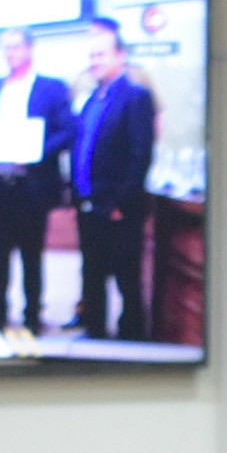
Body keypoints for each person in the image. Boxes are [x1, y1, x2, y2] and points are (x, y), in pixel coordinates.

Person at [0, 34, 76, 336]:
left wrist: (37, 150)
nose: (11, 53)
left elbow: (68, 130)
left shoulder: (51, 87)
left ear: (30, 50)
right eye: (6, 49)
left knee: (32, 254)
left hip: (31, 182)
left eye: (16, 47)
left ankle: (32, 315)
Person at [68, 35, 157, 345]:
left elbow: (140, 154)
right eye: (91, 56)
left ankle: (132, 335)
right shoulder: (92, 98)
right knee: (92, 271)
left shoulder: (136, 97)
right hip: (87, 201)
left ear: (121, 56)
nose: (95, 62)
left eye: (101, 55)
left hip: (119, 205)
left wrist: (123, 201)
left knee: (125, 275)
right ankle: (94, 330)